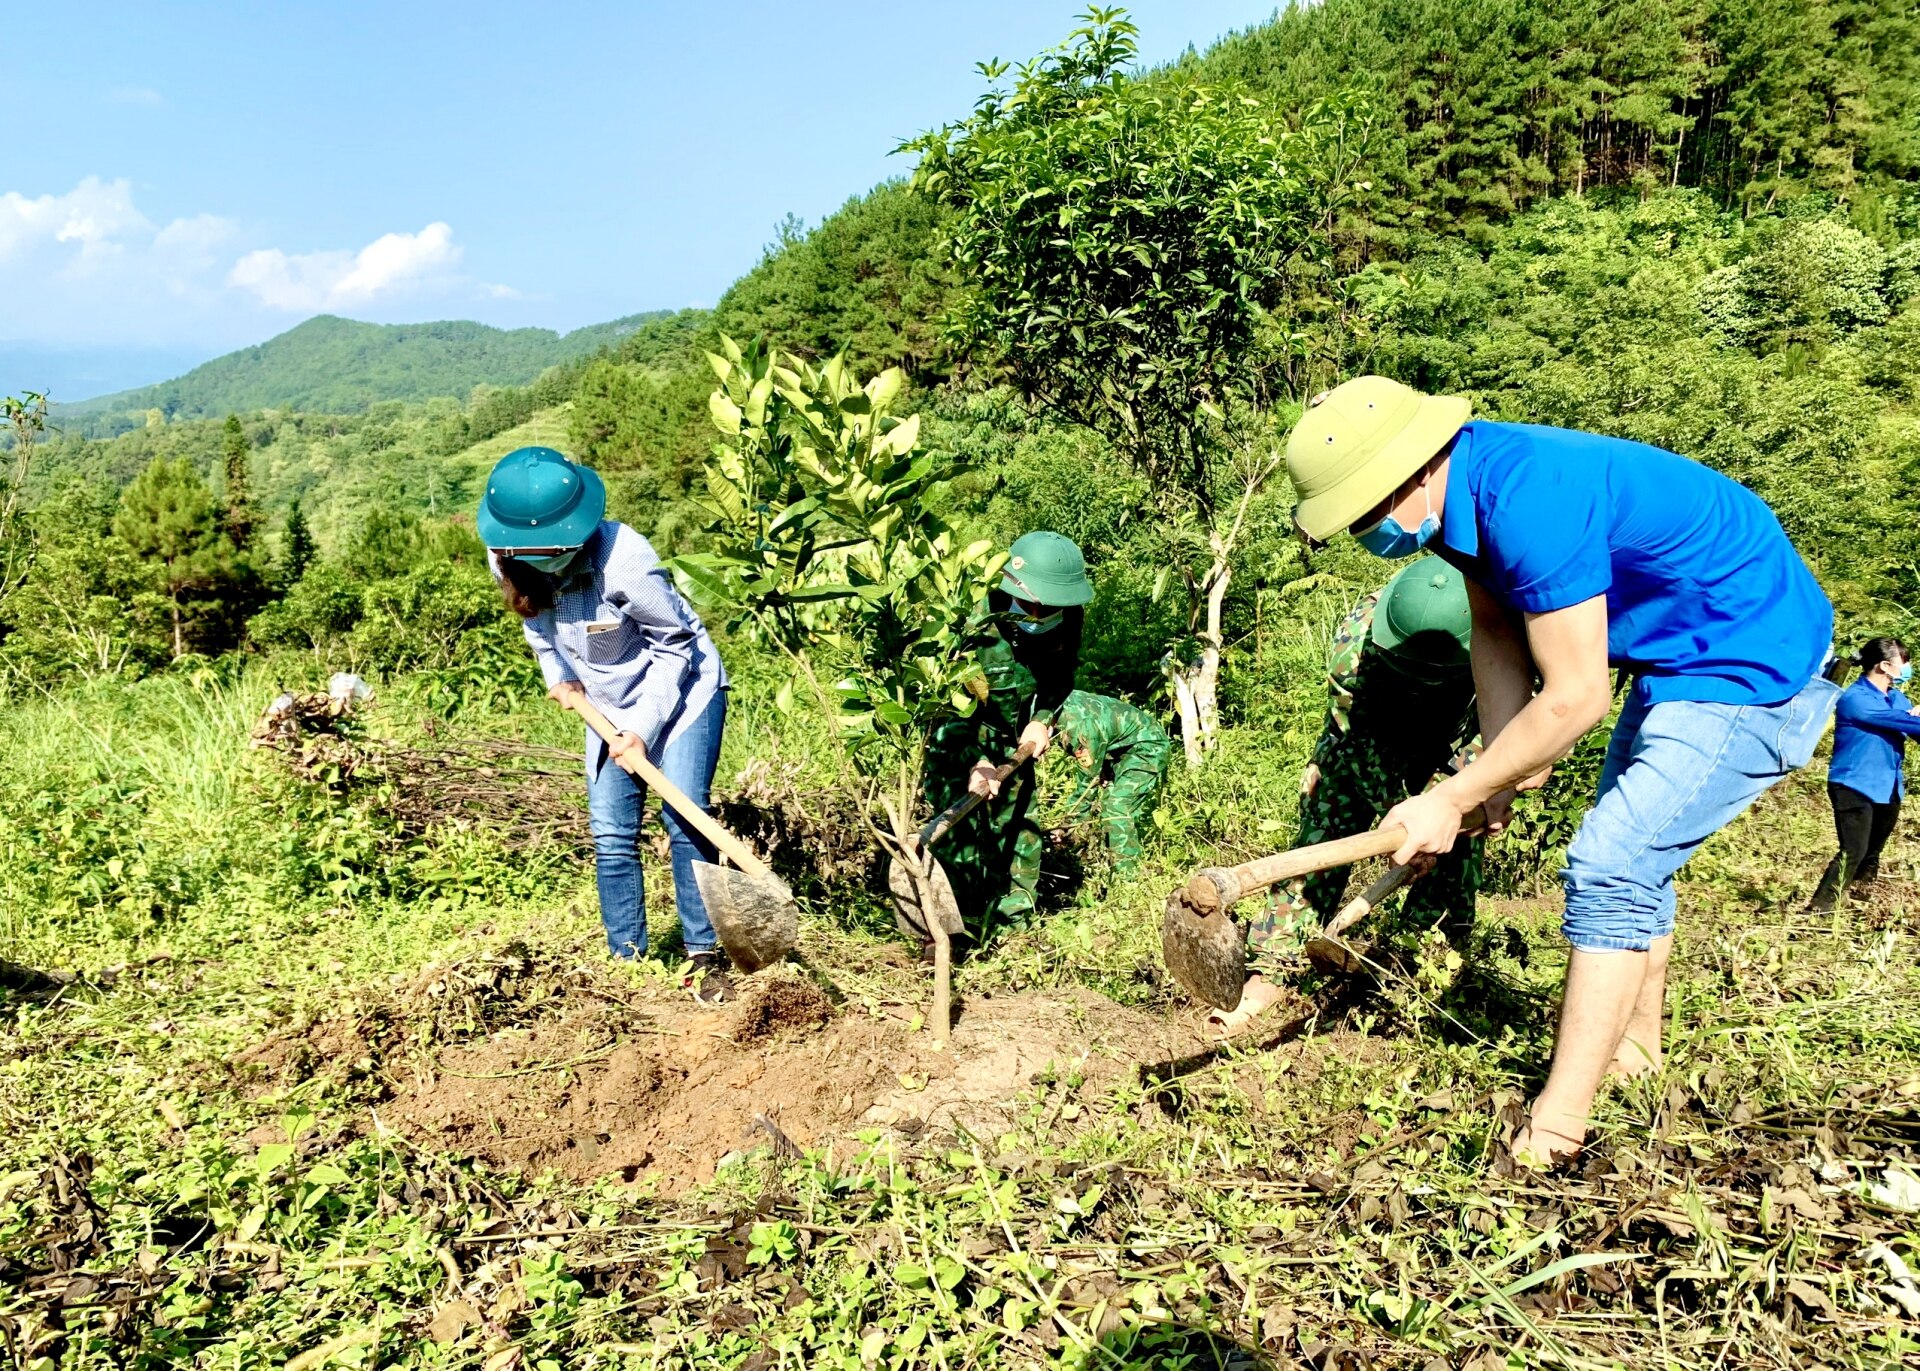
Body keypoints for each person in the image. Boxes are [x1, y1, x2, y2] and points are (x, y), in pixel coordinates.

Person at [1285, 376, 1837, 1167]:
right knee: (1634, 856)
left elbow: (1578, 697)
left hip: (1749, 656)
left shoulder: (1527, 498)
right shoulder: (1460, 498)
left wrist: (1450, 794)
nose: (1362, 536)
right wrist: (1498, 766)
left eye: (1365, 516)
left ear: (1408, 473)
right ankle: (1637, 1056)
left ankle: (1557, 1127)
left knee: (1613, 860)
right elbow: (1496, 631)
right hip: (1679, 656)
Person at [478, 446, 735, 1003]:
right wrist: (558, 675)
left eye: (554, 551)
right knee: (612, 835)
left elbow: (677, 648)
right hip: (603, 702)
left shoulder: (626, 561)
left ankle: (704, 956)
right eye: (531, 552)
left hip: (683, 690)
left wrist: (641, 729)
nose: (542, 559)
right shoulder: (505, 551)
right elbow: (538, 628)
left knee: (685, 814)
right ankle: (628, 962)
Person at [1216, 556, 1481, 1033]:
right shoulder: (1355, 644)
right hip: (1366, 734)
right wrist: (1393, 822)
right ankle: (1270, 972)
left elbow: (1509, 741)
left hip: (1457, 750)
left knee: (1450, 863)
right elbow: (1351, 730)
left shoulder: (1503, 631)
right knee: (1319, 843)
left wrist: (1449, 810)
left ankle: (1416, 977)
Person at [919, 531, 1090, 941]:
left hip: (1013, 739)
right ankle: (945, 935)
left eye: (1054, 605)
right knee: (957, 836)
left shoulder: (1067, 615)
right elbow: (944, 703)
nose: (1044, 611)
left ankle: (1014, 931)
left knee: (1018, 829)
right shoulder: (968, 625)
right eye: (1037, 602)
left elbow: (1061, 676)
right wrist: (974, 759)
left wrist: (1042, 718)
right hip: (957, 736)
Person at [1808, 638, 1920, 912]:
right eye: (1903, 662)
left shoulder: (1896, 697)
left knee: (1872, 852)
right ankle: (1820, 909)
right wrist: (1911, 717)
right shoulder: (1855, 698)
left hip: (1888, 784)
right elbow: (1899, 721)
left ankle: (1860, 896)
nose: (1908, 668)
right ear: (1884, 665)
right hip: (1853, 783)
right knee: (1853, 851)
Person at [1053, 689, 1173, 874]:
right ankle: (1102, 859)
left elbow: (1086, 788)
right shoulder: (1054, 697)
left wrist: (1066, 827)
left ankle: (1128, 877)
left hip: (1148, 746)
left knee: (1116, 805)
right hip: (1120, 747)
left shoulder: (1078, 728)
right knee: (1109, 802)